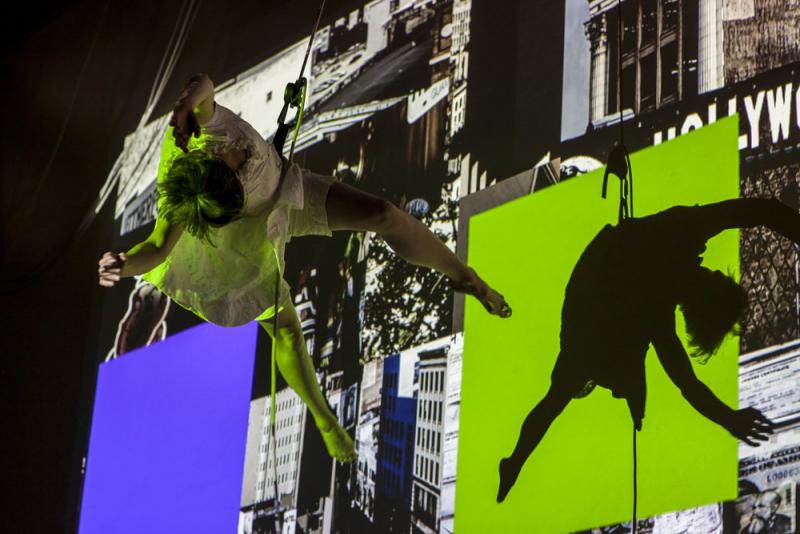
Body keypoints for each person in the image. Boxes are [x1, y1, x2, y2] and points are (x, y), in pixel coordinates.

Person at [97, 73, 511, 463]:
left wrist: (187, 101)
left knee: (385, 214)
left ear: (216, 160)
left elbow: (203, 82)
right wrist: (125, 263)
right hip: (245, 241)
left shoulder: (200, 128)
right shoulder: (181, 199)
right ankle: (323, 418)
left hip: (287, 187)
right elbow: (157, 247)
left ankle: (465, 277)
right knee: (289, 334)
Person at [496, 198, 796, 503]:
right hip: (594, 308)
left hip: (592, 306)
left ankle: (516, 461)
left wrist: (729, 418)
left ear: (706, 295)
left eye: (718, 278)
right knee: (568, 391)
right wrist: (728, 418)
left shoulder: (682, 241)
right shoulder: (659, 311)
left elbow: (761, 210)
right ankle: (518, 460)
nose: (716, 270)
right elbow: (686, 383)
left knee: (563, 394)